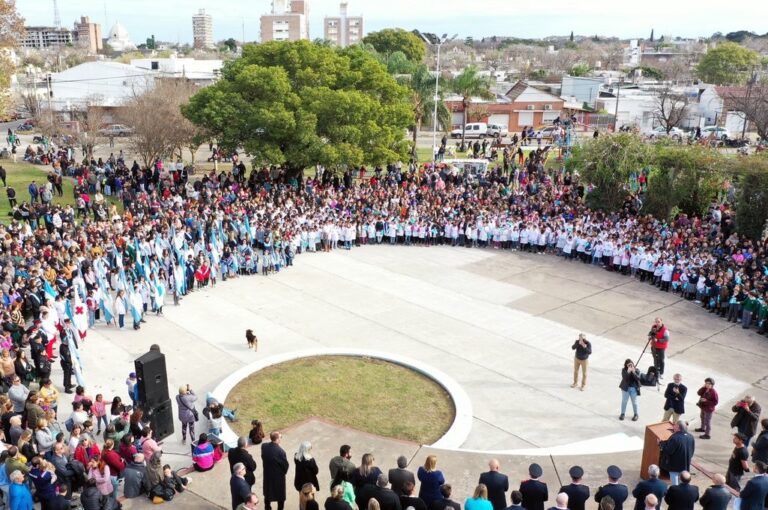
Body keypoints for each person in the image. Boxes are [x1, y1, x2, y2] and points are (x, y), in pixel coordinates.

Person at [660, 420, 695, 485]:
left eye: (674, 425)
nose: (673, 426)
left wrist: (661, 444)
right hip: (685, 463)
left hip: (674, 466)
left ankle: (676, 492)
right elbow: (692, 451)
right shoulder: (691, 437)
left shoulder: (675, 438)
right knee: (683, 482)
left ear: (678, 427)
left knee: (675, 484)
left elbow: (669, 450)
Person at [262, 431, 289, 510]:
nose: (281, 438)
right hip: (278, 478)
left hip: (267, 475)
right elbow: (285, 466)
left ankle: (267, 508)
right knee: (280, 497)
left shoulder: (264, 446)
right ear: (277, 439)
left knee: (267, 494)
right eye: (280, 437)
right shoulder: (281, 452)